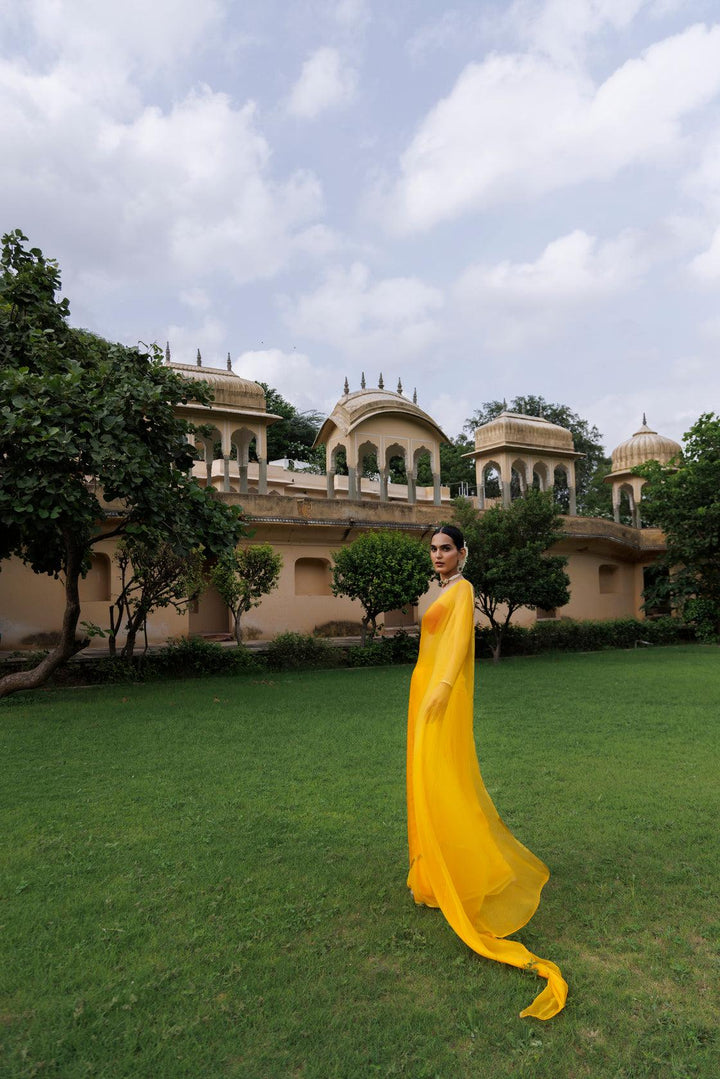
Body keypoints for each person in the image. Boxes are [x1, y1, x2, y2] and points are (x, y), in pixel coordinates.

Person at [406, 524, 568, 1020]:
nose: (438, 555)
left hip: (441, 693)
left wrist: (445, 685)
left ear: (461, 553)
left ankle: (474, 868)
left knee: (444, 776)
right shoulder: (439, 588)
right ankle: (436, 869)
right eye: (433, 549)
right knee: (425, 779)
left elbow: (457, 643)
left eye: (446, 548)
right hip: (422, 688)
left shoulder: (464, 590)